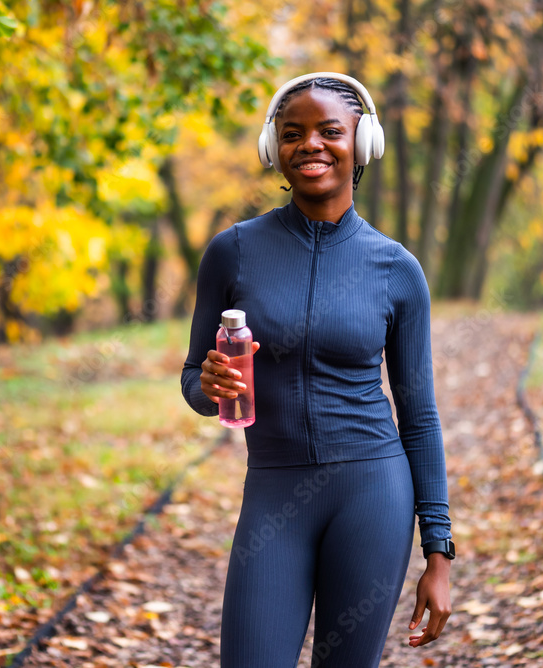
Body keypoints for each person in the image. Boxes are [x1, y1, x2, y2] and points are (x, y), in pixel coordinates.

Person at [180, 73, 454, 667]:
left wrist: (439, 550)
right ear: (272, 147)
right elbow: (193, 383)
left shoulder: (397, 269)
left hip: (373, 494)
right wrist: (208, 384)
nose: (311, 144)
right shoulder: (232, 252)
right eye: (293, 133)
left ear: (364, 143)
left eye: (330, 131)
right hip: (274, 489)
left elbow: (420, 414)